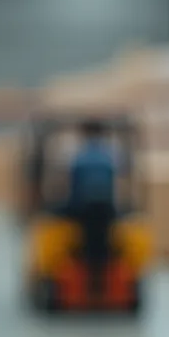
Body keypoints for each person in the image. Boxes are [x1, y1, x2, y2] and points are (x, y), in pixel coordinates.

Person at [65, 119, 123, 299]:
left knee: (52, 216)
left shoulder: (80, 158)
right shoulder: (110, 157)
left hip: (83, 209)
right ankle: (103, 266)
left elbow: (73, 189)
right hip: (106, 210)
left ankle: (82, 259)